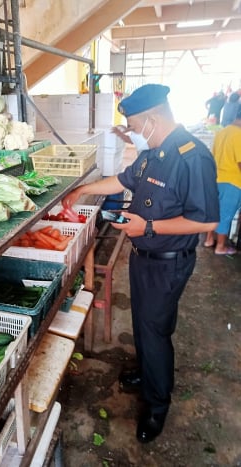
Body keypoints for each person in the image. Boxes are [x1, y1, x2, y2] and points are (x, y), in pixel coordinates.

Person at [62, 83, 219, 444]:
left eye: (133, 124)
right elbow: (122, 180)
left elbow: (206, 221)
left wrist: (147, 225)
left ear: (151, 118)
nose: (132, 131)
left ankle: (157, 404)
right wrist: (81, 191)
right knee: (143, 324)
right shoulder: (154, 153)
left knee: (155, 331)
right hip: (144, 258)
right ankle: (147, 374)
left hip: (168, 263)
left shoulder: (192, 156)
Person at [204, 104, 241, 254]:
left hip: (216, 179)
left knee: (213, 211)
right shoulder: (239, 134)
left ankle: (208, 239)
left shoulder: (221, 132)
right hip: (232, 181)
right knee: (226, 214)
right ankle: (220, 247)